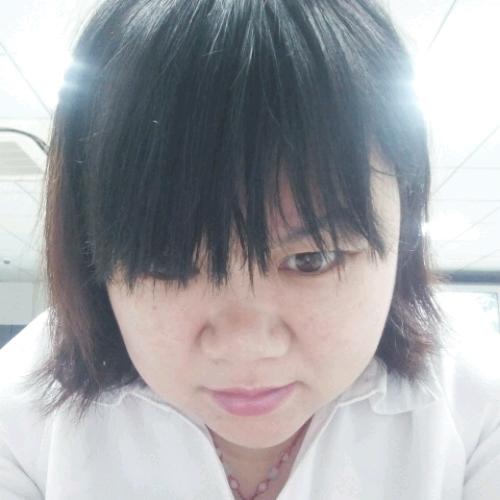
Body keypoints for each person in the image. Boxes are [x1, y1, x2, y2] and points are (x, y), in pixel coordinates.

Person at [1, 0, 499, 498]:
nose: (245, 345)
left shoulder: (477, 401)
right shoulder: (20, 412)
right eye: (167, 264)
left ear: (402, 238)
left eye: (311, 259)